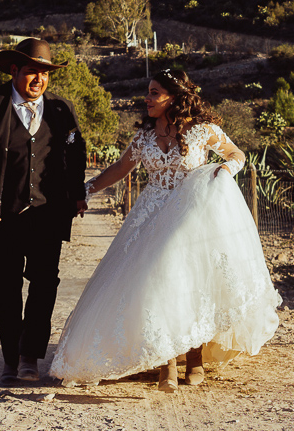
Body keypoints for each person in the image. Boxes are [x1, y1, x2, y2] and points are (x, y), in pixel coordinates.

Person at [49, 68, 280, 391]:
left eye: (154, 92)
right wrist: (85, 191)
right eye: (148, 92)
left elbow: (236, 153)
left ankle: (195, 358)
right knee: (153, 282)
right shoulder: (144, 136)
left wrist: (225, 169)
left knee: (191, 282)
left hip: (191, 213)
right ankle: (165, 363)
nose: (147, 98)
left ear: (175, 97)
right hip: (151, 213)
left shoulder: (202, 131)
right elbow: (120, 168)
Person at [0, 37, 88, 383]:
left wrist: (76, 194)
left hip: (48, 213)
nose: (39, 80)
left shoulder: (62, 110)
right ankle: (11, 359)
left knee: (45, 283)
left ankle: (31, 356)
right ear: (14, 71)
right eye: (32, 72)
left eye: (44, 74)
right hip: (1, 214)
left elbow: (75, 151)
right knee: (7, 286)